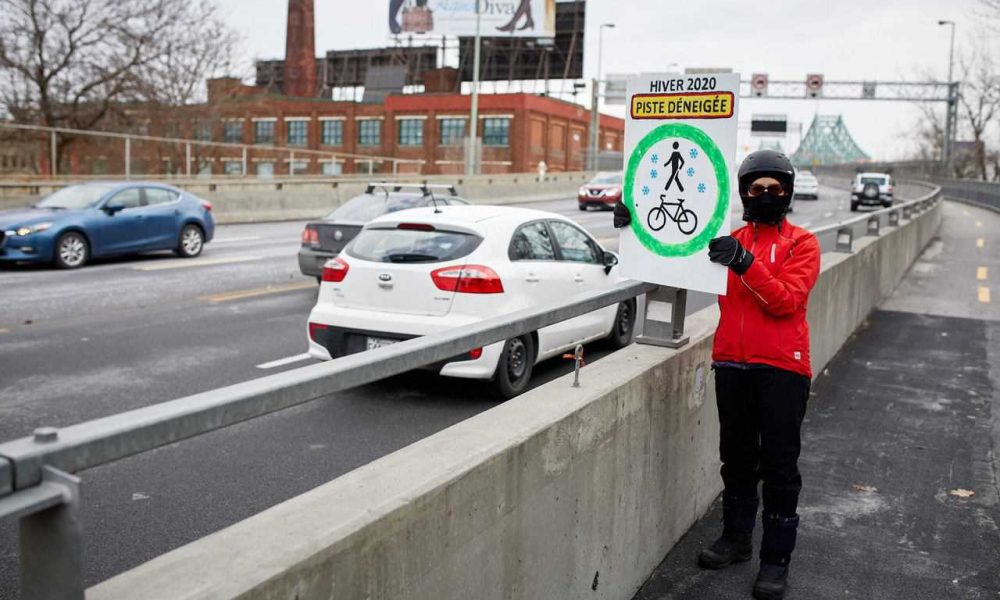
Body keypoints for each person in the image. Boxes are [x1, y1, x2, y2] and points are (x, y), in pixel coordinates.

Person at [613, 149, 820, 600]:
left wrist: (745, 263)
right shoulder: (725, 237)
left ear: (788, 192)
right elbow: (670, 254)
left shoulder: (802, 243)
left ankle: (775, 560)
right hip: (732, 362)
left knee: (780, 467)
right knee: (737, 458)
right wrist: (635, 227)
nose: (765, 195)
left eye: (775, 187)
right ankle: (736, 539)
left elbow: (785, 301)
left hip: (783, 367)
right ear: (744, 191)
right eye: (756, 187)